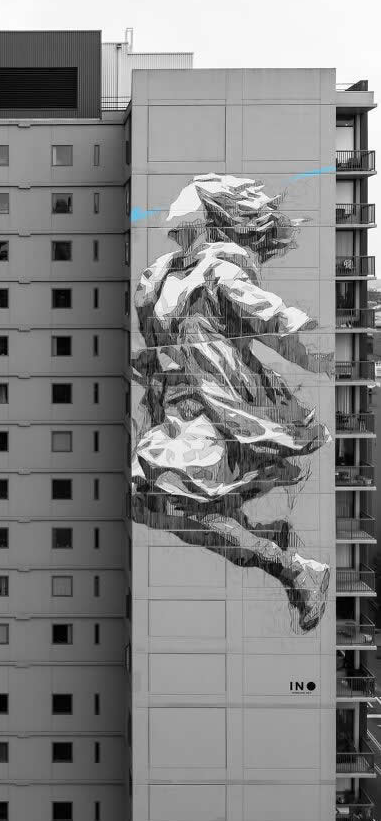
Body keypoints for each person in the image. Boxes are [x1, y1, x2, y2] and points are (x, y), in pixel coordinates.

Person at [132, 173, 331, 632]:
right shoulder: (160, 278)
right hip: (175, 413)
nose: (177, 236)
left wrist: (325, 359)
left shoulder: (219, 270)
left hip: (214, 411)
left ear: (202, 225)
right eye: (175, 231)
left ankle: (290, 566)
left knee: (173, 497)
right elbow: (160, 350)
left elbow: (271, 324)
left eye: (184, 228)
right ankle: (279, 551)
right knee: (149, 502)